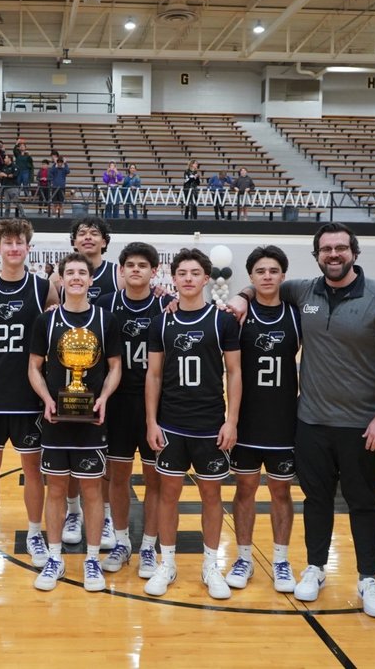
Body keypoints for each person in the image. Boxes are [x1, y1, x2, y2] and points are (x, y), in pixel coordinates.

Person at [226, 222, 375, 617]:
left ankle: (368, 578)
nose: (334, 254)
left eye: (341, 248)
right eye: (326, 249)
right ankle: (314, 567)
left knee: (363, 502)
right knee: (317, 500)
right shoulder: (303, 292)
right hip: (310, 421)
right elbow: (260, 284)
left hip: (364, 424)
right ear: (317, 256)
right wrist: (241, 297)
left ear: (354, 253)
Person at [144, 248, 242, 600]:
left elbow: (234, 372)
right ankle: (166, 563)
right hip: (171, 424)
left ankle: (211, 565)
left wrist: (231, 421)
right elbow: (153, 376)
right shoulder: (162, 322)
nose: (187, 278)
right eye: (182, 273)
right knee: (167, 496)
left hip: (210, 425)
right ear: (174, 279)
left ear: (205, 278)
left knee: (211, 496)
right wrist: (151, 422)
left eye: (194, 273)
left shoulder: (223, 321)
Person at [29, 253, 122, 592]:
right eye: (71, 273)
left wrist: (103, 399)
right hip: (57, 417)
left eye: (83, 272)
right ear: (62, 279)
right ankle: (55, 557)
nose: (77, 278)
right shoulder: (47, 321)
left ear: (91, 279)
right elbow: (34, 368)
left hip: (91, 418)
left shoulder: (105, 320)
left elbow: (114, 367)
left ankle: (92, 559)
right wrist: (48, 400)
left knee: (92, 489)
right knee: (55, 489)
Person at [0, 218, 59, 571]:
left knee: (32, 470)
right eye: (7, 243)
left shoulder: (43, 288)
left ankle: (35, 533)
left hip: (29, 394)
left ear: (28, 247)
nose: (13, 248)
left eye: (19, 242)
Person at [224, 245, 300, 595]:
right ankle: (243, 557)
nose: (267, 276)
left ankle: (281, 561)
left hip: (285, 420)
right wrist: (231, 420)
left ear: (283, 276)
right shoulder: (238, 316)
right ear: (251, 277)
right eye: (260, 272)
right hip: (248, 421)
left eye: (273, 271)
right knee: (246, 490)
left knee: (281, 491)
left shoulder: (297, 314)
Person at [95, 242, 171, 579]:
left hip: (158, 403)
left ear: (154, 271)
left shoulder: (167, 305)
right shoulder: (105, 305)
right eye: (130, 265)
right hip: (117, 402)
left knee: (155, 479)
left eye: (143, 265)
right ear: (121, 270)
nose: (136, 269)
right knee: (119, 477)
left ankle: (149, 547)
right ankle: (123, 541)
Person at [0, 153, 22, 218]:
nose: (4, 159)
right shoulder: (4, 167)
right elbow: (1, 177)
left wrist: (5, 175)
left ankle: (23, 215)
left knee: (17, 202)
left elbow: (14, 175)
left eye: (5, 158)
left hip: (13, 187)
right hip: (5, 187)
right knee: (7, 204)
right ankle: (6, 217)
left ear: (9, 159)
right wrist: (0, 176)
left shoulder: (15, 167)